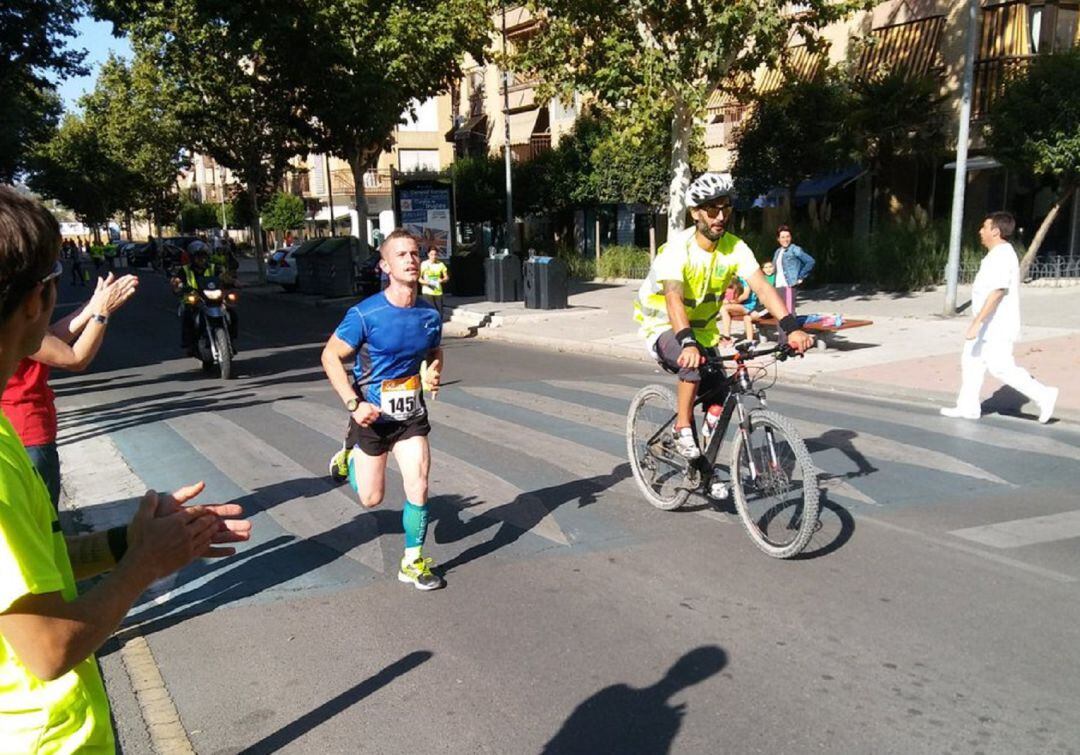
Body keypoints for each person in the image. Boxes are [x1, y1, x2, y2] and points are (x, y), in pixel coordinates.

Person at [0, 186, 251, 752]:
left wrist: (125, 543)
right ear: (36, 300)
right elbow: (47, 649)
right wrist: (144, 564)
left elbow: (34, 567)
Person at [633, 172, 813, 465]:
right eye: (712, 209)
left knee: (719, 393)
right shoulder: (677, 249)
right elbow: (673, 298)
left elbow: (763, 288)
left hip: (703, 331)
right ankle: (681, 428)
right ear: (695, 213)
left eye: (726, 208)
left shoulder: (734, 247)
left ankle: (702, 467)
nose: (720, 216)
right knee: (690, 364)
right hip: (664, 325)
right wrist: (687, 343)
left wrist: (791, 328)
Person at [321, 229, 445, 590]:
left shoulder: (429, 313)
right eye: (401, 254)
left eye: (414, 253)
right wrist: (353, 404)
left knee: (419, 483)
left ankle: (412, 561)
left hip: (410, 416)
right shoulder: (365, 314)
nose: (411, 259)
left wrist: (433, 372)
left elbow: (434, 350)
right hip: (372, 416)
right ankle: (350, 454)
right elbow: (330, 356)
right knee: (371, 498)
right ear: (385, 266)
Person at [3, 272, 138, 507]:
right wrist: (101, 314)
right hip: (27, 434)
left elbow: (51, 337)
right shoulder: (15, 326)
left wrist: (91, 307)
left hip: (15, 431)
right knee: (43, 516)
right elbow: (75, 358)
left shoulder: (12, 318)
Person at [940, 211, 1058, 423]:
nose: (980, 231)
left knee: (1000, 367)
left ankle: (1044, 395)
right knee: (971, 361)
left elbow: (998, 291)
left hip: (997, 325)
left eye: (984, 227)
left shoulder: (1002, 256)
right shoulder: (996, 255)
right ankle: (967, 407)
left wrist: (977, 322)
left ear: (995, 231)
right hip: (988, 324)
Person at [170, 241, 235, 352]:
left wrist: (232, 281)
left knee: (232, 313)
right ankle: (189, 344)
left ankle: (231, 340)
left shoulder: (214, 268)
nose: (202, 259)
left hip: (213, 298)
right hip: (194, 299)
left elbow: (224, 276)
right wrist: (178, 285)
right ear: (192, 258)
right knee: (188, 316)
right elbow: (176, 281)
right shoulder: (184, 270)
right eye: (198, 257)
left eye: (204, 256)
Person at [771, 225, 815, 342]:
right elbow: (774, 269)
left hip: (789, 285)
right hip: (778, 286)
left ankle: (791, 341)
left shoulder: (795, 249)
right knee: (779, 313)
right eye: (783, 237)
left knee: (789, 313)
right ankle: (782, 340)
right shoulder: (778, 252)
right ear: (778, 239)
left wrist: (800, 277)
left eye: (788, 236)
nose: (785, 239)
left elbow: (810, 261)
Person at [720, 276, 757, 342]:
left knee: (724, 309)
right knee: (724, 309)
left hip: (749, 306)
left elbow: (745, 295)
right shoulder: (735, 279)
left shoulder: (745, 279)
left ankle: (727, 337)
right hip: (741, 306)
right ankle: (726, 337)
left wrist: (731, 302)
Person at [419, 247, 450, 318]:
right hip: (427, 291)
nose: (433, 256)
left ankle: (439, 324)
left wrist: (442, 280)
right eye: (431, 254)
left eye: (435, 254)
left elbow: (446, 277)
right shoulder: (424, 264)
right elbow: (419, 278)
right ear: (428, 254)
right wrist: (426, 283)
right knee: (432, 312)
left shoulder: (441, 264)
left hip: (438, 291)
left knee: (439, 314)